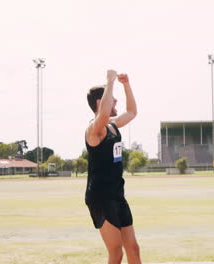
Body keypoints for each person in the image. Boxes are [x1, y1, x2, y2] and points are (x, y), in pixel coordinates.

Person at [85, 69, 141, 264]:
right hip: (100, 198)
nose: (116, 102)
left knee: (133, 249)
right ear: (101, 103)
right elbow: (102, 116)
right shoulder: (94, 130)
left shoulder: (113, 125)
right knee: (116, 253)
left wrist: (126, 84)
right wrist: (110, 81)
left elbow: (132, 112)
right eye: (112, 98)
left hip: (117, 195)